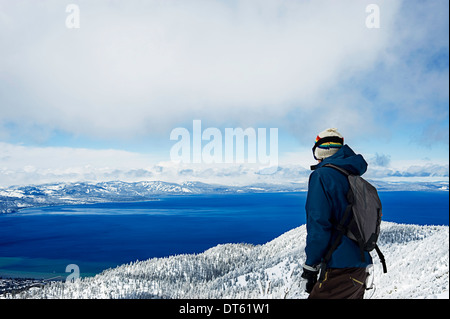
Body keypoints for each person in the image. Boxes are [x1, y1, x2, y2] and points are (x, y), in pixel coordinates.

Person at [301, 128, 372, 299]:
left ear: (320, 150)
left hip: (338, 267)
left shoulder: (322, 176)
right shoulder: (353, 176)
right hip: (360, 268)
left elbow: (319, 224)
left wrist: (310, 267)